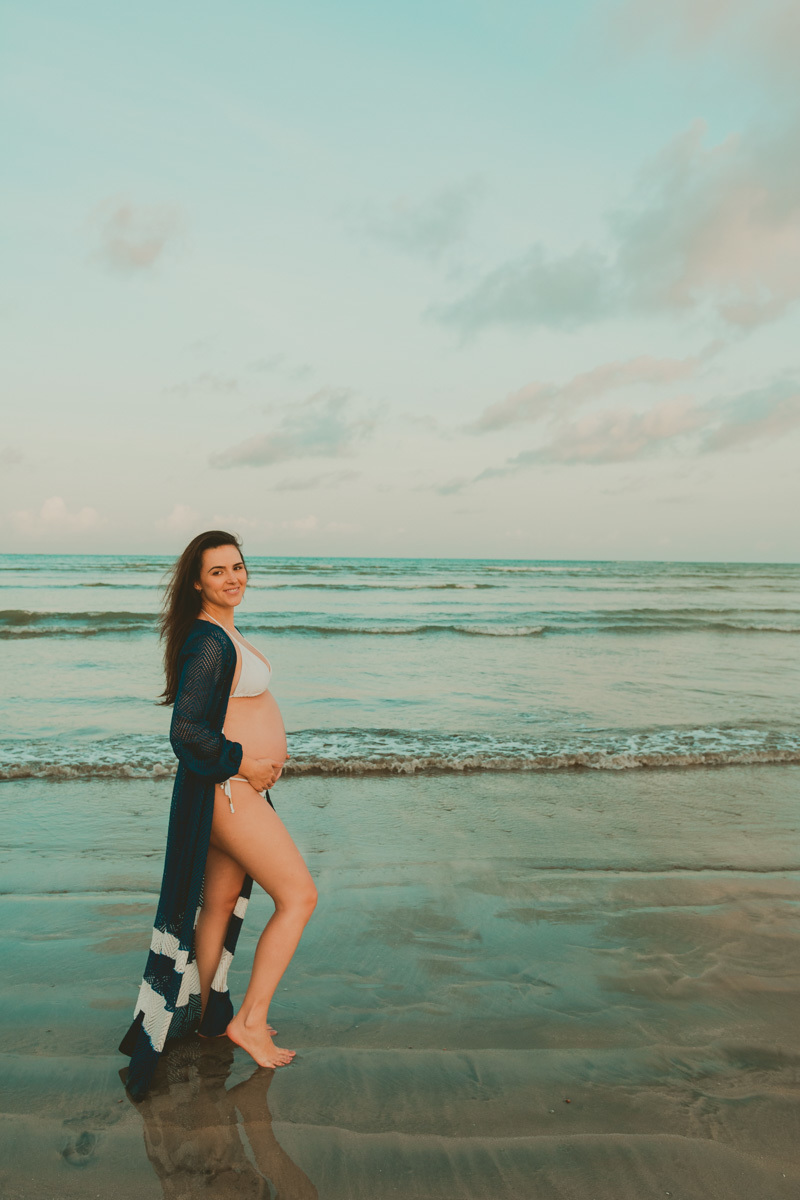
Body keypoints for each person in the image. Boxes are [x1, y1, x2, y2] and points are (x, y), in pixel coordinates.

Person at [119, 531, 317, 1100]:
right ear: (197, 582)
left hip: (231, 790)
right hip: (229, 790)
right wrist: (244, 765)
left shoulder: (222, 631)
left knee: (221, 904)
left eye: (238, 566)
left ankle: (210, 1014)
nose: (233, 578)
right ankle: (248, 1021)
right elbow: (187, 731)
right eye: (218, 571)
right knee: (300, 896)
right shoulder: (208, 641)